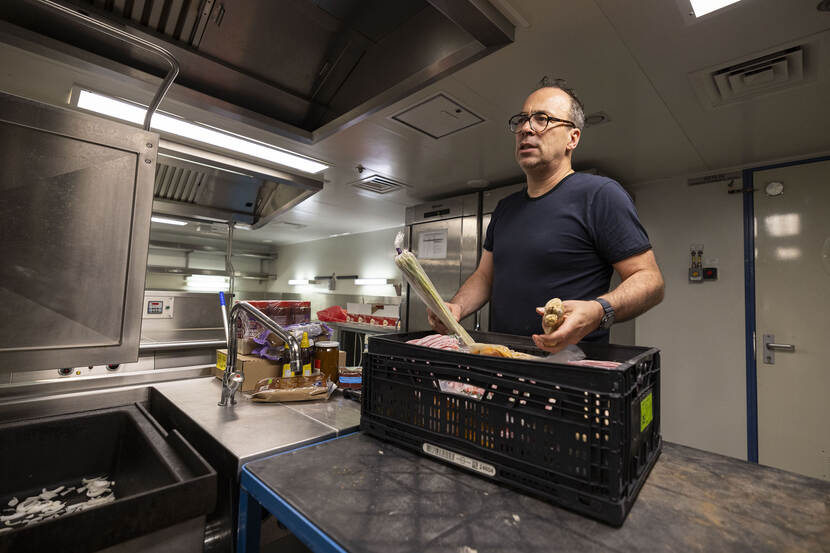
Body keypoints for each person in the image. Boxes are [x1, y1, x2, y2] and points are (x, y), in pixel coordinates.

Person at [428, 79, 664, 352]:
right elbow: (484, 277)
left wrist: (599, 310)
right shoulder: (505, 208)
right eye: (523, 120)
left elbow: (650, 280)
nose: (526, 128)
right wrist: (457, 306)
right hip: (503, 361)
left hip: (568, 372)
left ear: (572, 138)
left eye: (543, 119)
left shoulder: (600, 195)